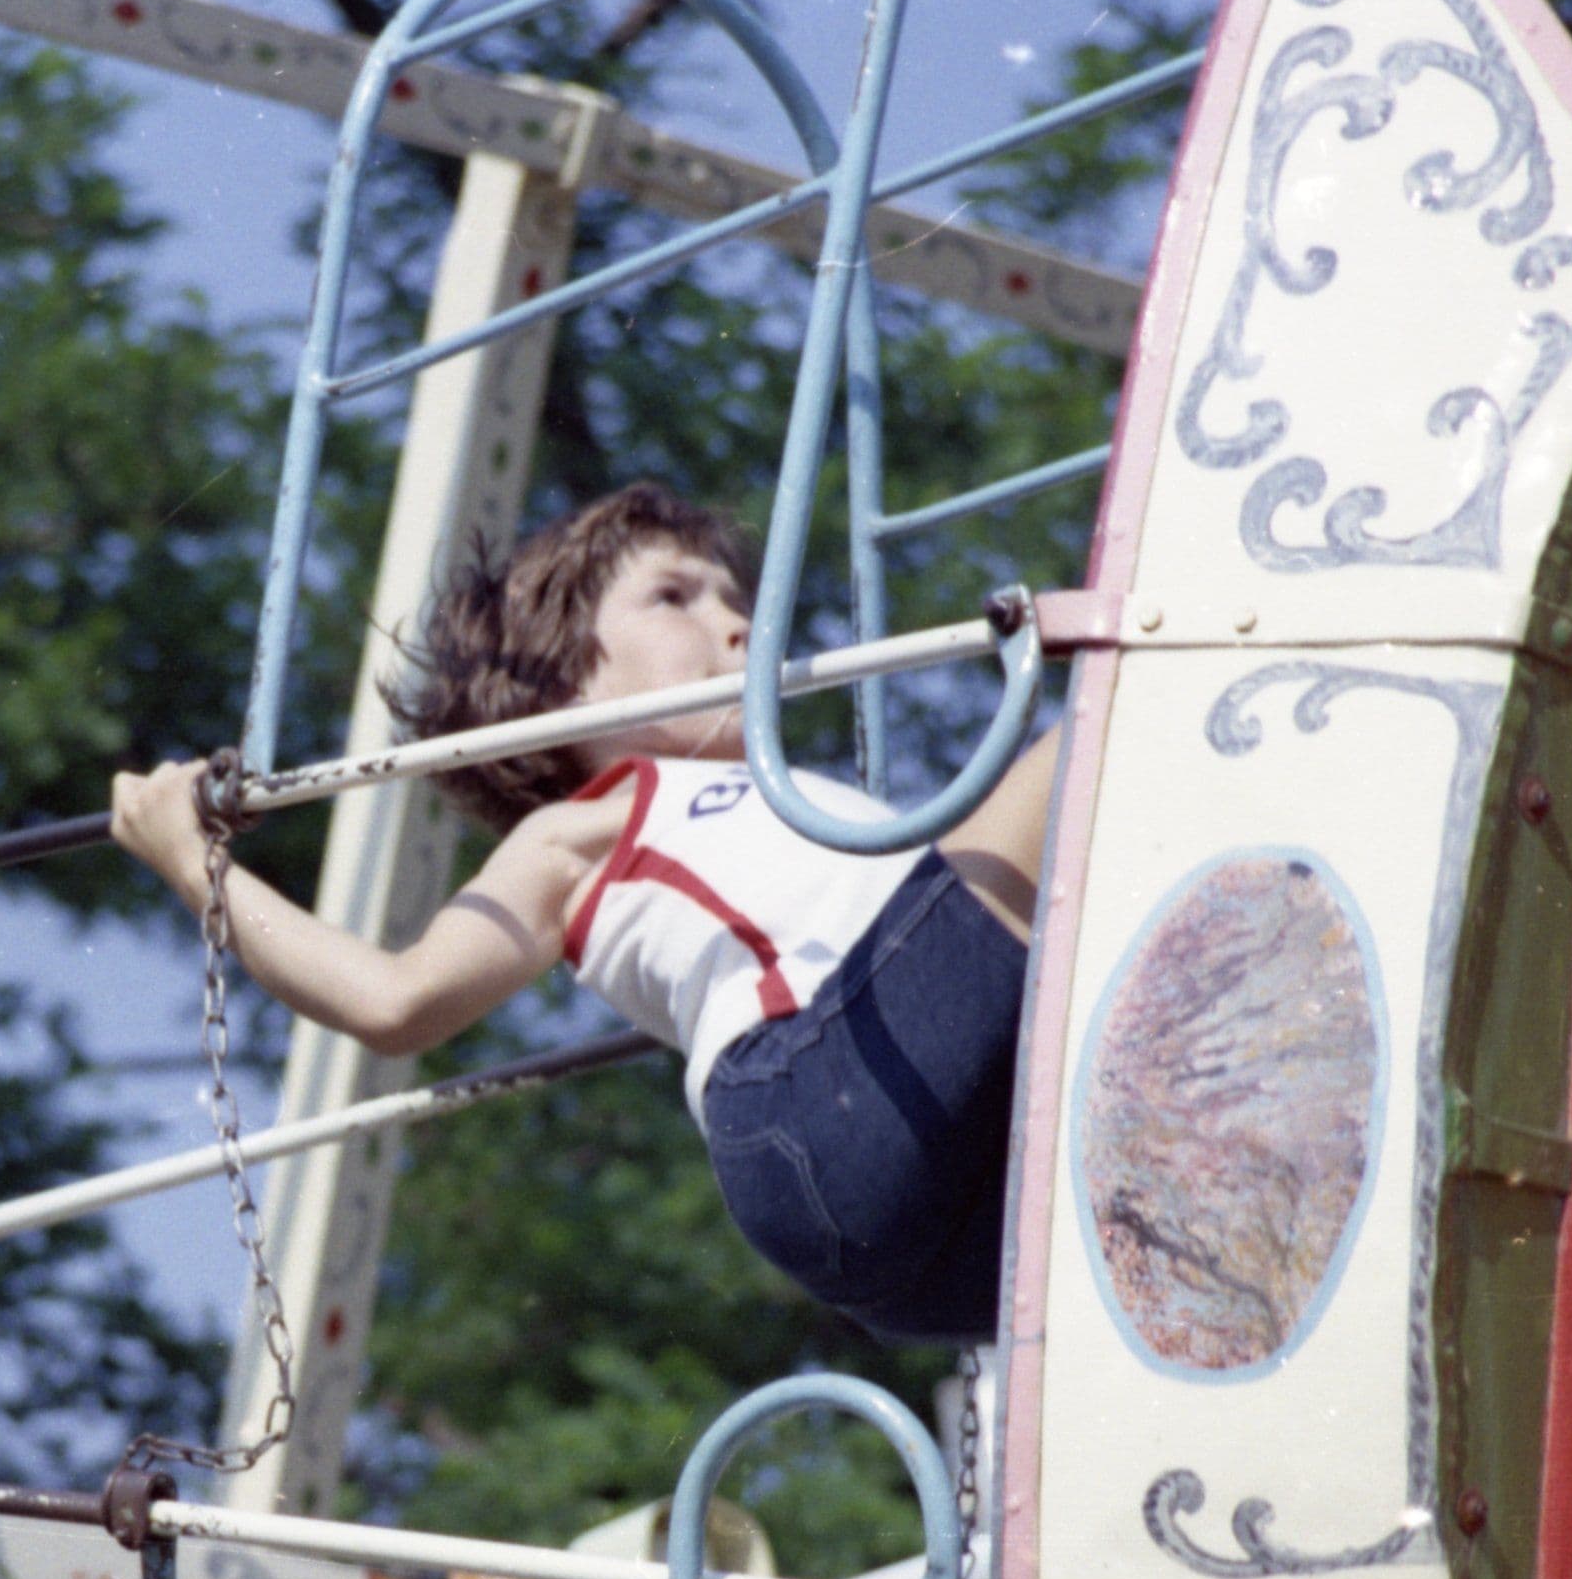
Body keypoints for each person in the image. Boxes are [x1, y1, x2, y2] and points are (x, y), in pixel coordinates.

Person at [112, 483, 1057, 1344]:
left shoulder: (808, 802)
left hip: (943, 1167)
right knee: (1088, 738)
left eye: (734, 599)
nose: (737, 625)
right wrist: (197, 868)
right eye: (675, 597)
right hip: (826, 1097)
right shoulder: (592, 821)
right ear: (562, 684)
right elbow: (393, 1000)